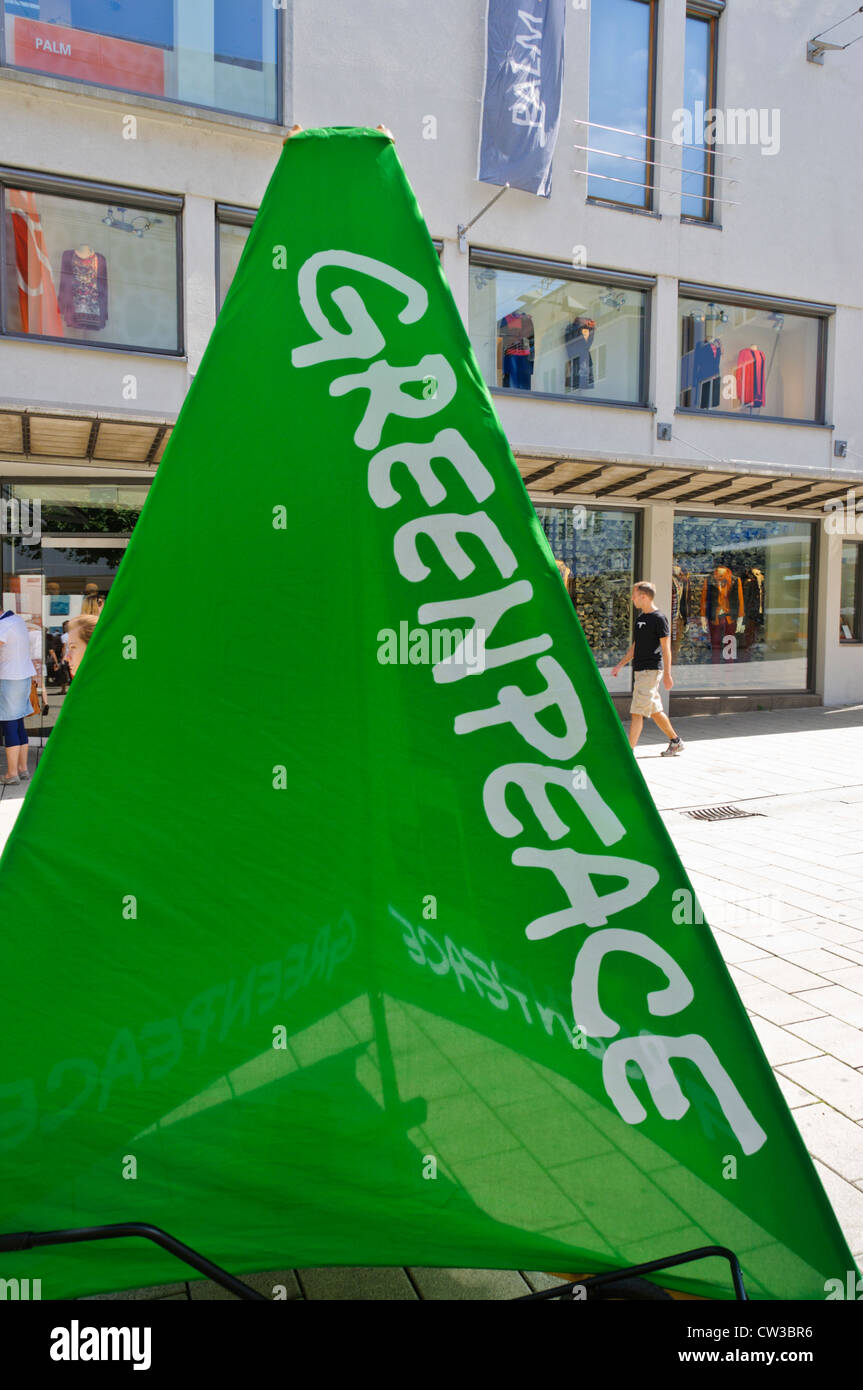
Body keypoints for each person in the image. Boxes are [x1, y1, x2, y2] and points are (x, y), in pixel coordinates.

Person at [611, 582, 685, 756]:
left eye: (634, 595)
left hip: (651, 671)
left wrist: (667, 674)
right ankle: (676, 742)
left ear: (643, 596)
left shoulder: (659, 619)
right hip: (641, 670)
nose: (632, 599)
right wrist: (620, 665)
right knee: (654, 710)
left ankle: (627, 753)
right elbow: (636, 647)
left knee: (637, 711)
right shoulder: (640, 619)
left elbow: (666, 648)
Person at [0, 607, 37, 785]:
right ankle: (22, 769)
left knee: (9, 725)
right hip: (23, 677)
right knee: (18, 724)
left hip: (10, 679)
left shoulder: (3, 626)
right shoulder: (17, 620)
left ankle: (11, 774)